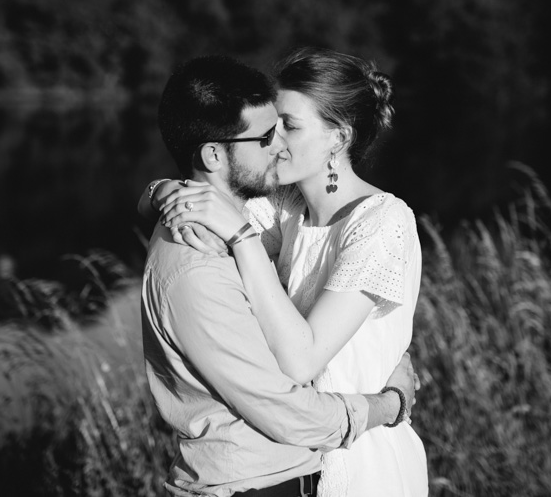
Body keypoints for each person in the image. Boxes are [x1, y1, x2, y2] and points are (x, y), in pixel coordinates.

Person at [150, 48, 428, 497]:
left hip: (362, 465)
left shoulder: (383, 222)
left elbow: (302, 360)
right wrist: (162, 189)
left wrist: (242, 239)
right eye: (271, 125)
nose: (274, 141)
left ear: (338, 138)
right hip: (299, 460)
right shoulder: (288, 209)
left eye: (290, 127)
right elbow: (204, 189)